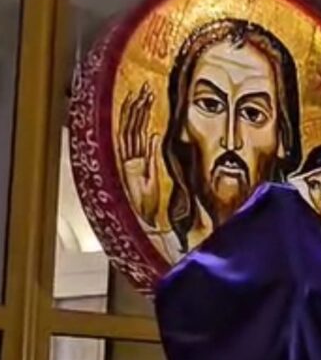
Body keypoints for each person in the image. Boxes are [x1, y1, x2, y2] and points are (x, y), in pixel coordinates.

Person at [118, 17, 301, 260]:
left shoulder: (304, 267)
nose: (231, 140)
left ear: (282, 138)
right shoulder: (165, 252)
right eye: (210, 105)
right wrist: (142, 224)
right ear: (183, 124)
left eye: (252, 113)